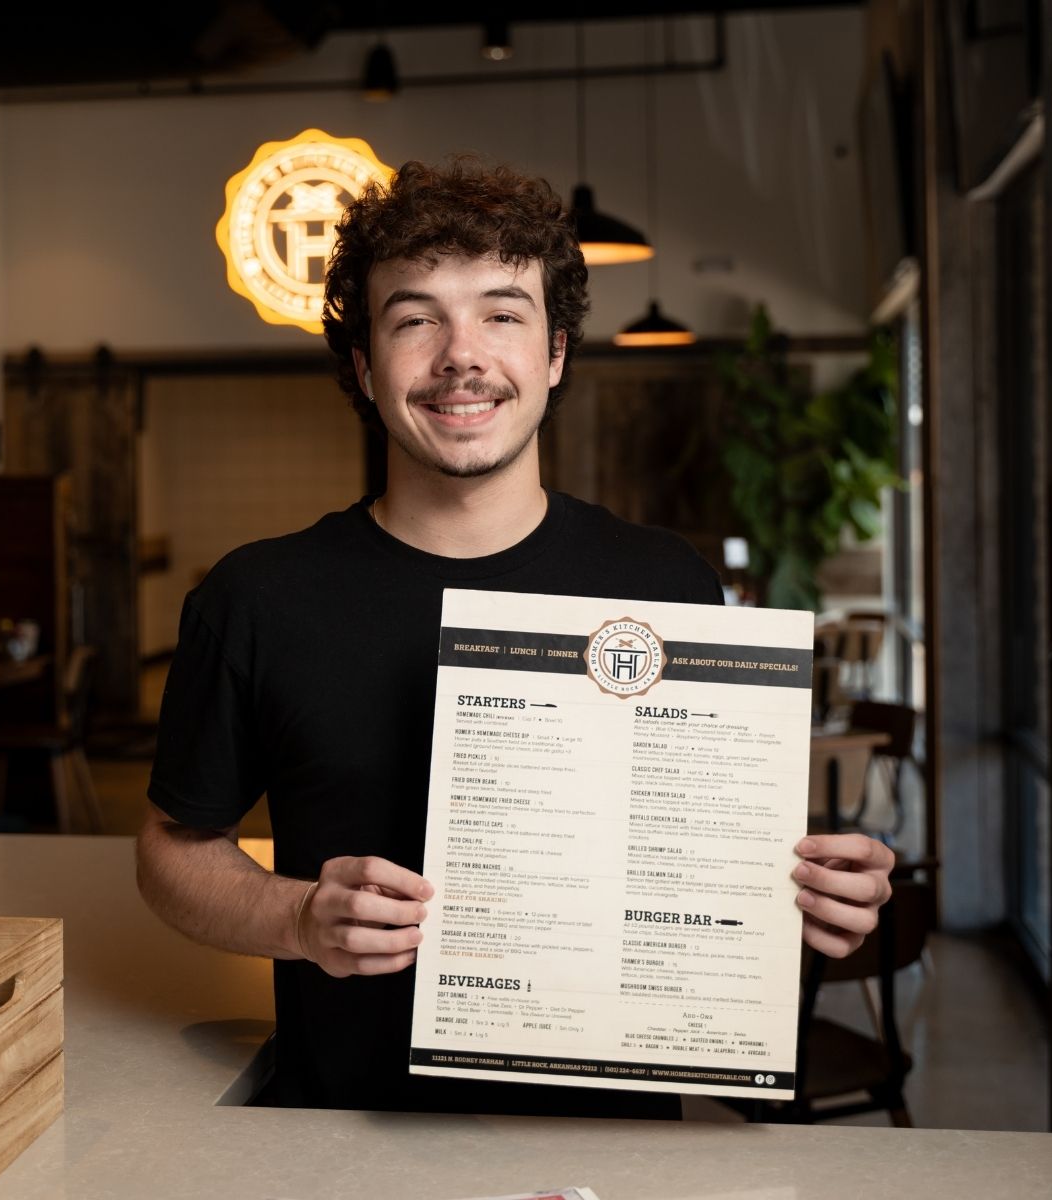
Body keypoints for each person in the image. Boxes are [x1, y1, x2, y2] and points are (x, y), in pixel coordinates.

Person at [137, 157, 895, 1119]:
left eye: (502, 313)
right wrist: (295, 918)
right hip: (346, 1137)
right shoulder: (257, 596)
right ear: (365, 368)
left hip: (612, 1146)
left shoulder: (667, 586)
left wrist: (816, 893)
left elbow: (714, 867)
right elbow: (170, 850)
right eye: (415, 319)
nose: (462, 355)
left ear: (556, 354)